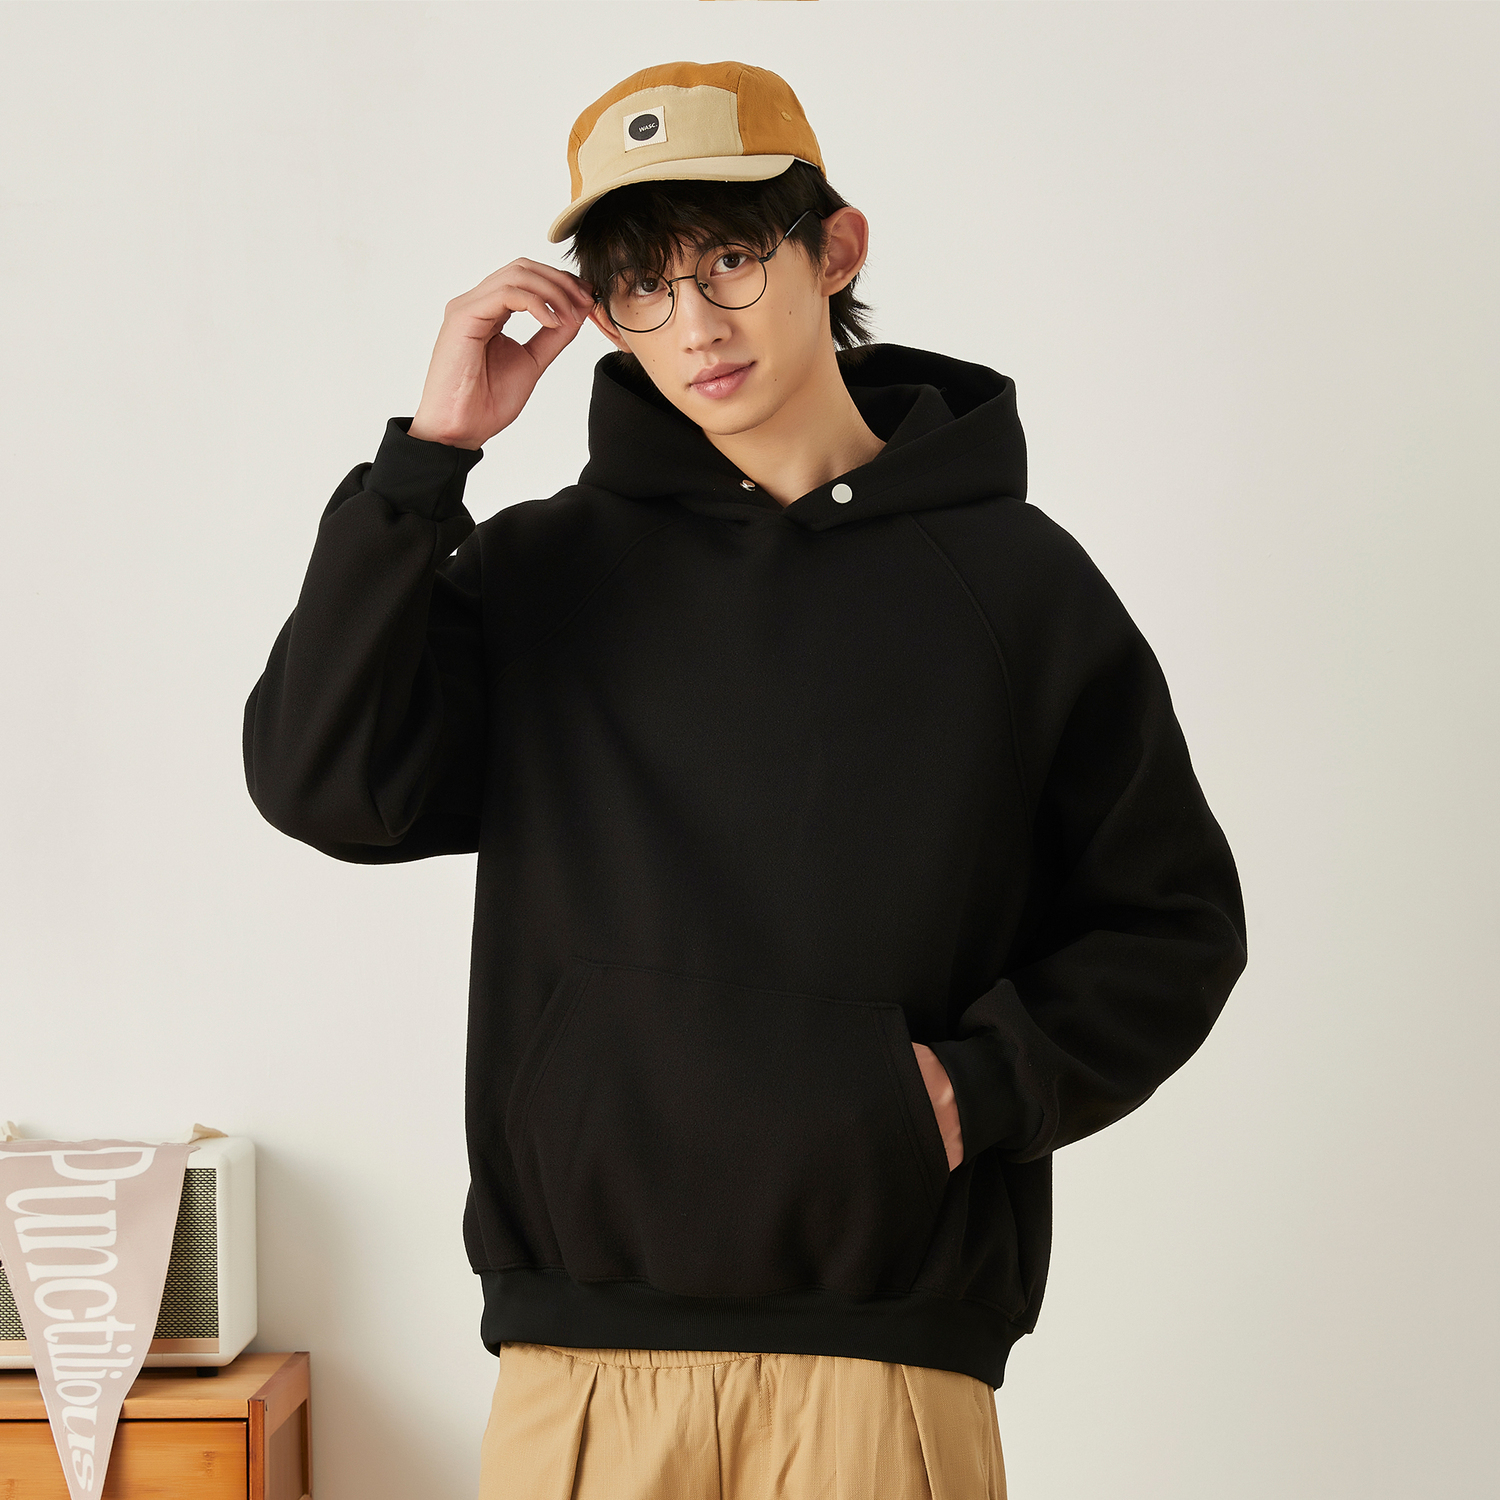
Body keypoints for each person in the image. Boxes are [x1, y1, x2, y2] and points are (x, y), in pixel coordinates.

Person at [243, 59, 1247, 1500]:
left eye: (730, 258)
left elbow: (1173, 924)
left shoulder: (1014, 587)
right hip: (581, 1368)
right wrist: (429, 462)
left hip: (886, 1364)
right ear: (603, 313)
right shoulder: (544, 575)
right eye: (644, 284)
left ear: (833, 250)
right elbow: (323, 782)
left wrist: (969, 1091)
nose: (699, 323)